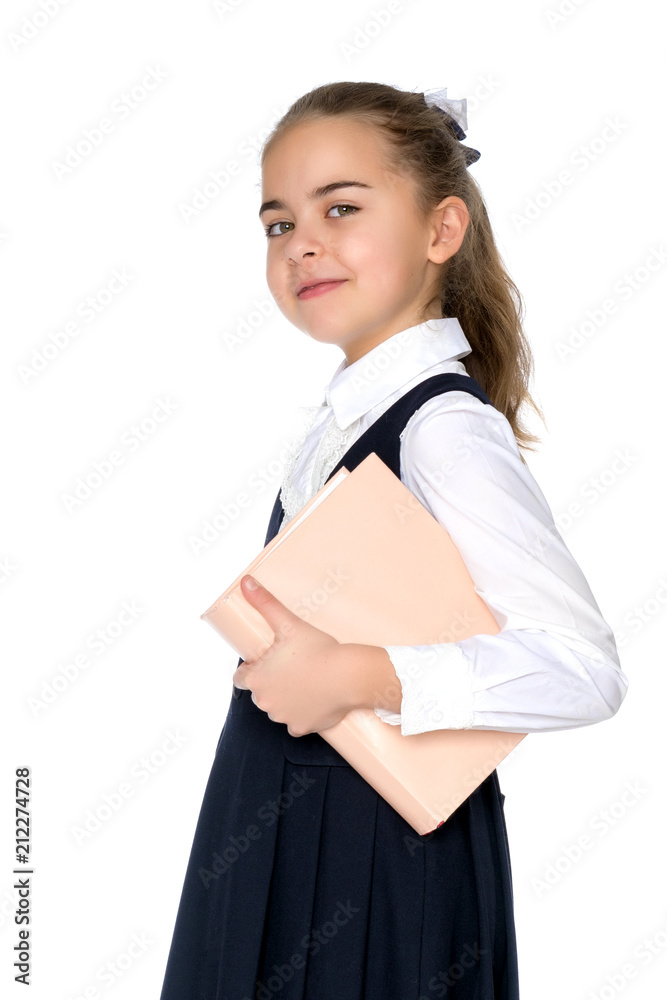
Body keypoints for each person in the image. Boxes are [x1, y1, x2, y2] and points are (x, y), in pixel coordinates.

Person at [159, 81, 628, 1000]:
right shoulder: (344, 417)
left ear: (441, 230)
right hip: (281, 831)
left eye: (340, 208)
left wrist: (360, 675)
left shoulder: (444, 428)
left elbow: (585, 670)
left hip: (376, 868)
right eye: (278, 223)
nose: (301, 244)